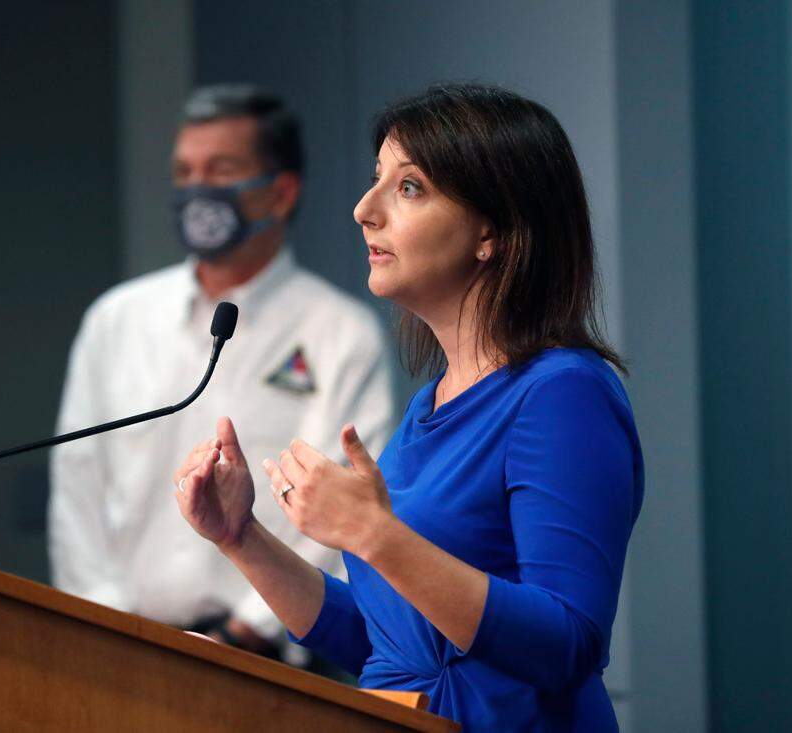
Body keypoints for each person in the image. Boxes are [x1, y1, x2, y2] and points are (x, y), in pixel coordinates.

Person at [173, 83, 643, 731]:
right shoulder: (429, 405)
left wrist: (374, 533)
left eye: (410, 186)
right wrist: (243, 538)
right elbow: (388, 642)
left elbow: (567, 643)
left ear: (493, 231)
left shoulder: (563, 392)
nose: (365, 209)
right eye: (376, 181)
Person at [48, 85, 396, 662]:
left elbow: (343, 508)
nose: (197, 190)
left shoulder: (341, 331)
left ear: (281, 192)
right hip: (121, 657)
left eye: (221, 169)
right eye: (185, 173)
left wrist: (243, 638)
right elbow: (76, 492)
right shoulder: (118, 320)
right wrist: (109, 633)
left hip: (266, 666)